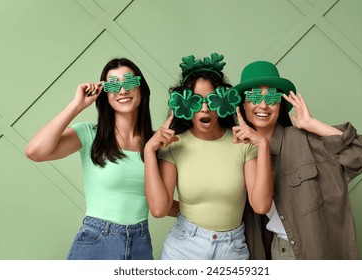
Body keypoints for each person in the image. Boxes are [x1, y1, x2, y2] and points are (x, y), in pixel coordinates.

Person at [233, 60, 362, 260]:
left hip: (315, 251)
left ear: (281, 104)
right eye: (254, 97)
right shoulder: (238, 152)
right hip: (275, 251)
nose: (263, 105)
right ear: (243, 104)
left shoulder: (304, 140)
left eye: (273, 97)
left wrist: (313, 124)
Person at [144, 53, 273, 260]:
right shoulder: (174, 146)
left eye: (211, 100)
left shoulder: (243, 145)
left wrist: (263, 145)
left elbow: (261, 205)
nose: (205, 108)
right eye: (196, 101)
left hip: (232, 250)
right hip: (183, 249)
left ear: (223, 101)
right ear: (184, 105)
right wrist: (149, 151)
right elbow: (159, 209)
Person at [25, 58, 154, 260]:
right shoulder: (89, 134)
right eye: (113, 85)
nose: (122, 90)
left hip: (140, 242)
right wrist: (76, 105)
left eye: (129, 82)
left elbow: (161, 202)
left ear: (141, 88)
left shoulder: (155, 143)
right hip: (97, 241)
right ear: (105, 94)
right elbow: (35, 151)